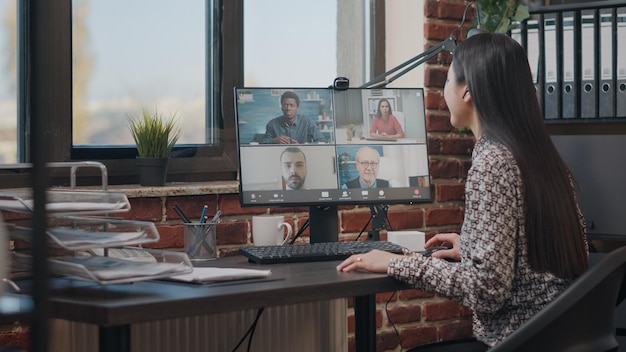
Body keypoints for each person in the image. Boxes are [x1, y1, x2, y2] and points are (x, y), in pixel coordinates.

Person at [337, 33, 588, 351]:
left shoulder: (493, 162)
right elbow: (534, 256)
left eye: (447, 80)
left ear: (467, 90)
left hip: (517, 340)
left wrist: (396, 263)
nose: (443, 92)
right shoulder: (543, 157)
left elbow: (485, 290)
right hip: (558, 336)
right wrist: (472, 248)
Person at [259, 91, 326, 144]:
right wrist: (274, 140)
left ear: (297, 108)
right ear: (281, 107)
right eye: (285, 105)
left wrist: (302, 146)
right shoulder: (272, 124)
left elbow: (322, 141)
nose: (288, 108)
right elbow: (262, 143)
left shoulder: (307, 122)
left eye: (292, 105)